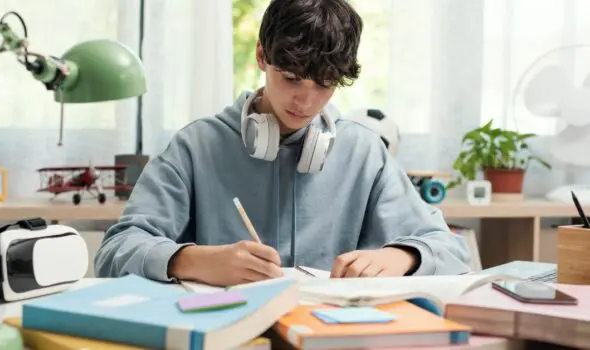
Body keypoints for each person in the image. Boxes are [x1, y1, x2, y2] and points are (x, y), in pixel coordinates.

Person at [94, 0, 471, 287]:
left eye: (323, 85)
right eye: (291, 78)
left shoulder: (365, 153)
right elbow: (115, 251)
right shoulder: (196, 146)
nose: (304, 102)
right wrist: (194, 261)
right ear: (261, 55)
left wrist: (402, 256)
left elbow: (451, 250)